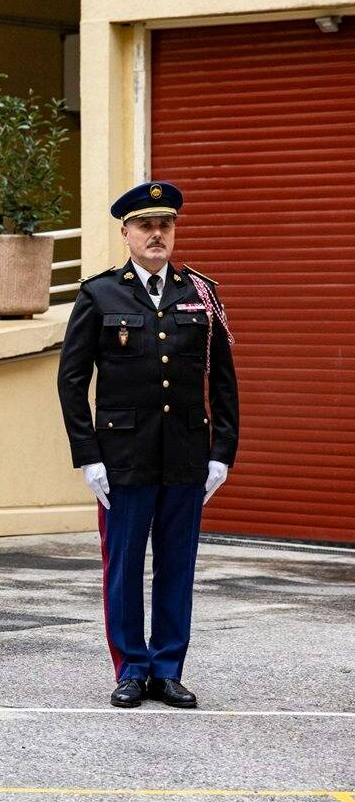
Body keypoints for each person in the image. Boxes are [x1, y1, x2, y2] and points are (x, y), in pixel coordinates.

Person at [56, 180, 238, 710]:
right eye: (146, 226)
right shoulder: (99, 293)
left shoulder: (200, 292)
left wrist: (221, 452)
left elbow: (223, 380)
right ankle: (131, 667)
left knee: (178, 566)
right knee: (125, 565)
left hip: (184, 454)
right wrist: (87, 456)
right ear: (126, 233)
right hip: (123, 458)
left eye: (165, 225)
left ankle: (168, 669)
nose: (156, 234)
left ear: (173, 231)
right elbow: (72, 382)